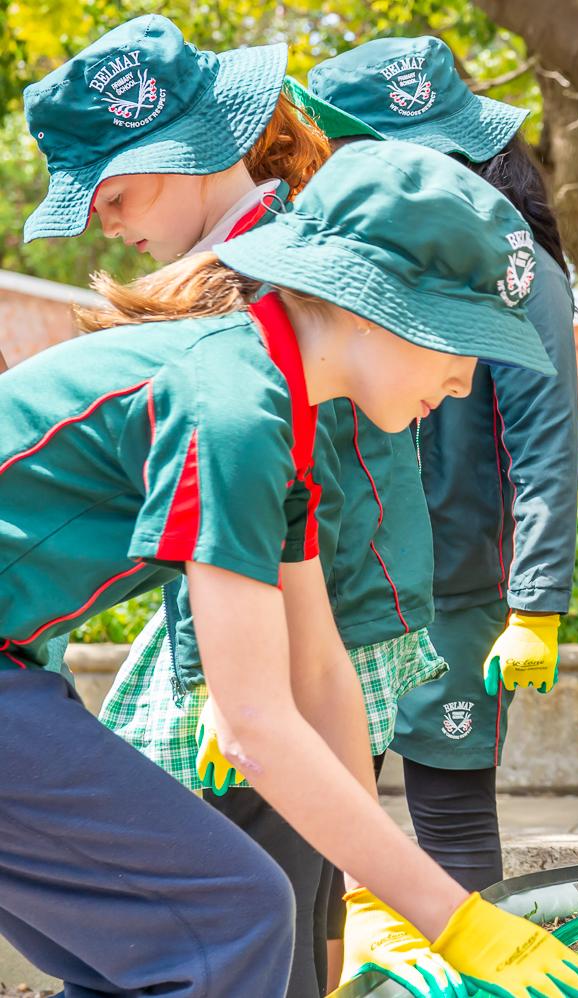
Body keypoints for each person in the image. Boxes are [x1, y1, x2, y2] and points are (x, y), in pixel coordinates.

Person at [0, 127, 578, 995]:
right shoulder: (233, 408)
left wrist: (371, 895)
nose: (468, 382)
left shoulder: (280, 410)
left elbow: (319, 673)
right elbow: (254, 724)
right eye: (460, 341)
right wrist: (454, 917)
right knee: (228, 918)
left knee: (150, 953)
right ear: (367, 307)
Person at [24, 17, 449, 995]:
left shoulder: (265, 285)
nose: (104, 221)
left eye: (116, 190)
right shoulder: (262, 273)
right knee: (246, 930)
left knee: (248, 927)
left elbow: (286, 500)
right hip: (269, 633)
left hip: (290, 629)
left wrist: (233, 676)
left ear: (192, 157)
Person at [309, 37, 578, 893]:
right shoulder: (320, 266)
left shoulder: (518, 277)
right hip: (339, 585)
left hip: (458, 593)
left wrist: (537, 602)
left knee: (452, 819)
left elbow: (545, 444)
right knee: (314, 822)